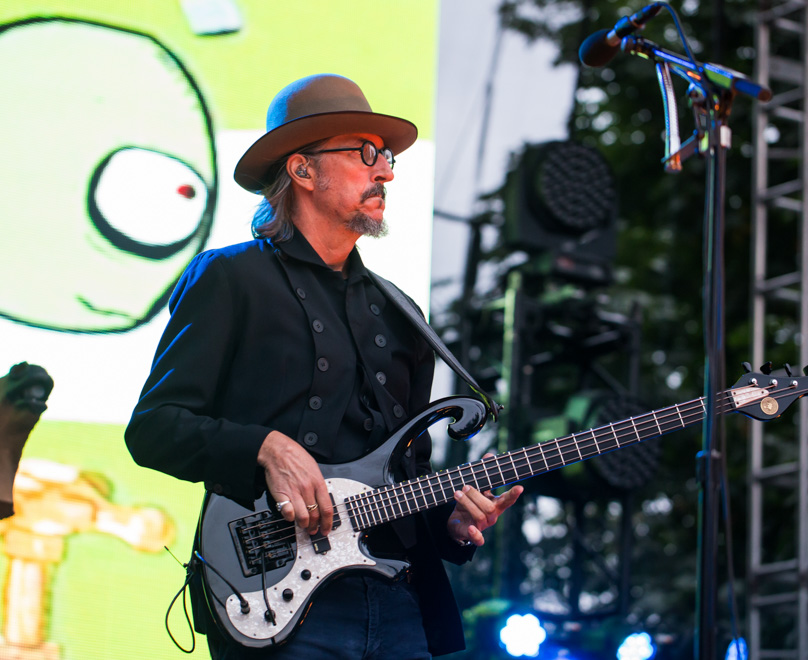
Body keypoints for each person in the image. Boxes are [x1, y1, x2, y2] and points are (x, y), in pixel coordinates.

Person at [125, 73, 522, 659]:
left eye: (384, 157)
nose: (385, 171)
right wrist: (263, 446)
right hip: (277, 602)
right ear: (302, 170)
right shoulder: (229, 278)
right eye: (366, 154)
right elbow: (154, 429)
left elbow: (404, 476)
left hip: (399, 601)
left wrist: (454, 525)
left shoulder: (401, 311)